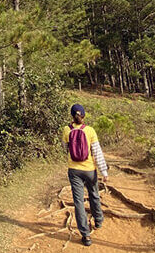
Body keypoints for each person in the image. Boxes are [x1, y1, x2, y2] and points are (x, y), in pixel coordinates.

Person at [62, 103, 109, 246]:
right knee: (94, 194)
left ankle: (86, 236)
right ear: (84, 115)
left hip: (74, 170)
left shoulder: (66, 130)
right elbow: (97, 153)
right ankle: (98, 221)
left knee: (78, 201)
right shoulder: (90, 131)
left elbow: (65, 148)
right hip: (90, 170)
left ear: (72, 116)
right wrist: (104, 171)